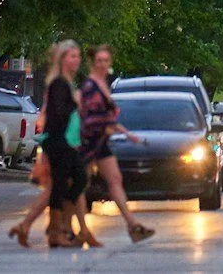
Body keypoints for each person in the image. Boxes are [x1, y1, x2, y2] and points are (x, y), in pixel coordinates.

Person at [80, 46, 153, 243]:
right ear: (93, 63)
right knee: (78, 186)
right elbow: (89, 117)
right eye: (99, 61)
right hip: (88, 142)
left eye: (106, 60)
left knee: (114, 180)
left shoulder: (103, 85)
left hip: (100, 142)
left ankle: (132, 226)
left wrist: (127, 134)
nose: (103, 64)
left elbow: (107, 118)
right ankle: (70, 228)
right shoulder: (90, 86)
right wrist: (109, 129)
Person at [30, 40, 91, 249]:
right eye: (72, 56)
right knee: (63, 184)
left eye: (78, 56)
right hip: (58, 141)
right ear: (63, 59)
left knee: (76, 180)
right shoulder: (59, 83)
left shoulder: (65, 82)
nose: (76, 60)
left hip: (63, 141)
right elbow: (59, 112)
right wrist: (76, 102)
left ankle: (61, 226)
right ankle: (58, 231)